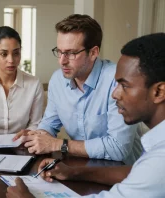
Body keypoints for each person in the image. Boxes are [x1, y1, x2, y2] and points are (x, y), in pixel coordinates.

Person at [7, 32, 165, 198]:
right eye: (59, 52)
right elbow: (136, 173)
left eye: (124, 86)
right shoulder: (154, 155)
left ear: (159, 91)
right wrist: (74, 172)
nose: (115, 94)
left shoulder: (159, 161)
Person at [15, 14, 142, 163]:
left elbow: (118, 148)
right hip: (81, 167)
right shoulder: (58, 80)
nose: (62, 61)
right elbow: (50, 123)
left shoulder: (117, 81)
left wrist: (59, 145)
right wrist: (37, 136)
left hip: (122, 172)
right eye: (60, 51)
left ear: (93, 52)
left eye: (71, 53)